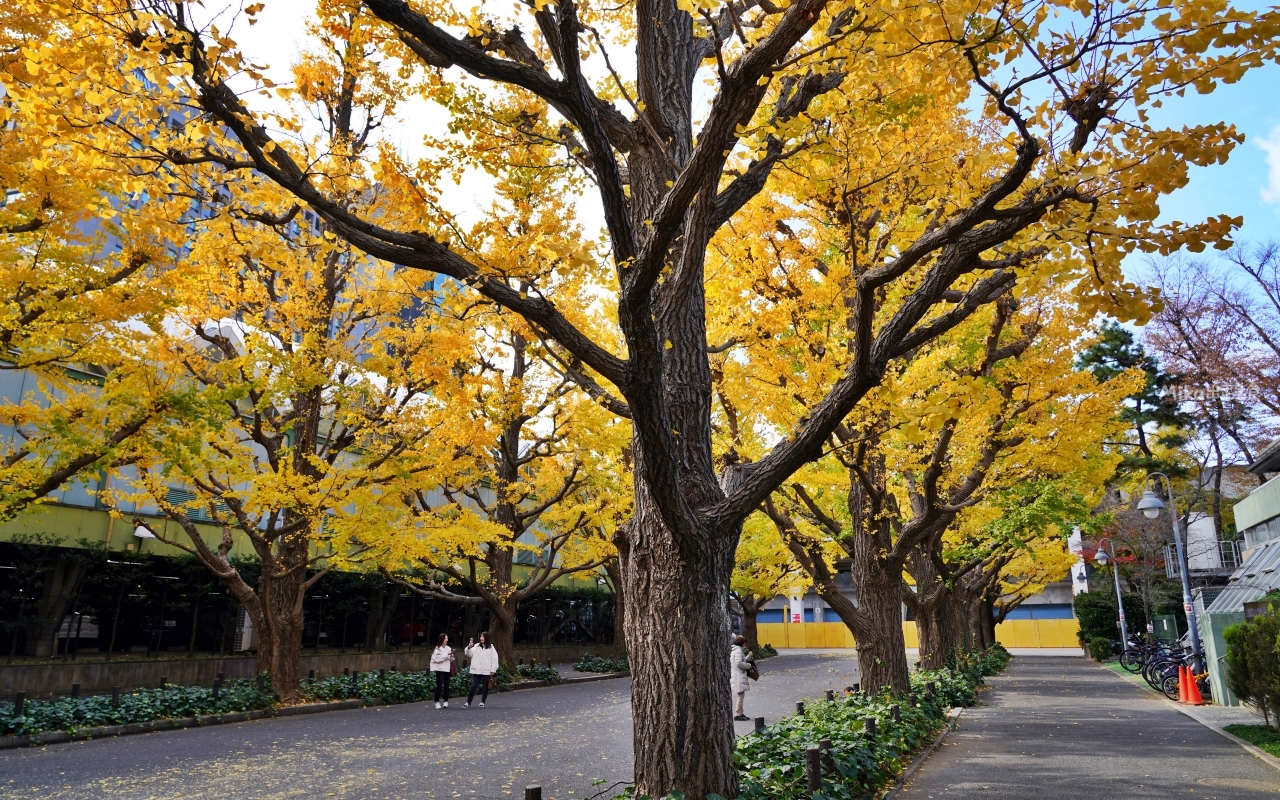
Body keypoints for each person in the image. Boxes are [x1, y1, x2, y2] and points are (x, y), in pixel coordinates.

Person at [464, 631, 499, 708]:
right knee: (473, 686)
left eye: (483, 637)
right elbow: (469, 654)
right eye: (481, 637)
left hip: (486, 670)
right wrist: (469, 647)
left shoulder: (491, 647)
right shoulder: (476, 646)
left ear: (486, 638)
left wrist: (493, 669)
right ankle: (468, 702)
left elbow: (495, 659)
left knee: (485, 686)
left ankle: (483, 702)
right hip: (477, 669)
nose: (481, 638)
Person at [430, 633, 455, 709]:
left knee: (447, 686)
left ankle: (446, 701)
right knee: (439, 685)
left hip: (447, 669)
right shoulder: (437, 648)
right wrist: (447, 655)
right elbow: (437, 659)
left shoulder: (448, 648)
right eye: (445, 638)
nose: (446, 640)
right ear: (442, 639)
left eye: (447, 638)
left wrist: (451, 656)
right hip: (440, 669)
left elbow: (451, 659)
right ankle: (437, 702)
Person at [730, 634, 752, 721]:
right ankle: (738, 713)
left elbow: (740, 661)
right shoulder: (738, 651)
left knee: (741, 695)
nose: (745, 645)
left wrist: (748, 657)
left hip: (737, 675)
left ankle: (740, 712)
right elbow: (739, 663)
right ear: (741, 643)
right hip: (739, 676)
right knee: (740, 695)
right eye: (744, 643)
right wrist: (748, 665)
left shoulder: (736, 650)